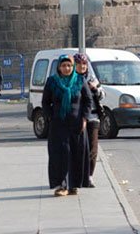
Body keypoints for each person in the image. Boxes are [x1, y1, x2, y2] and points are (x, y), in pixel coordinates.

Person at [42, 54, 92, 196]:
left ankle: (74, 185)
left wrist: (84, 119)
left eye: (69, 65)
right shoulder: (52, 82)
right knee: (60, 154)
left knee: (76, 153)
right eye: (63, 65)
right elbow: (45, 102)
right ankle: (61, 185)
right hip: (58, 125)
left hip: (76, 125)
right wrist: (51, 117)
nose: (66, 68)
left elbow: (88, 101)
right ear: (59, 67)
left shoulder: (80, 80)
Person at [73, 53, 105, 188]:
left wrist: (95, 88)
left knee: (93, 148)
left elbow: (102, 95)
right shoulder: (71, 80)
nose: (82, 66)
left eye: (84, 64)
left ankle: (89, 176)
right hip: (76, 118)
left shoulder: (92, 79)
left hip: (92, 117)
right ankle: (76, 175)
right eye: (79, 64)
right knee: (78, 148)